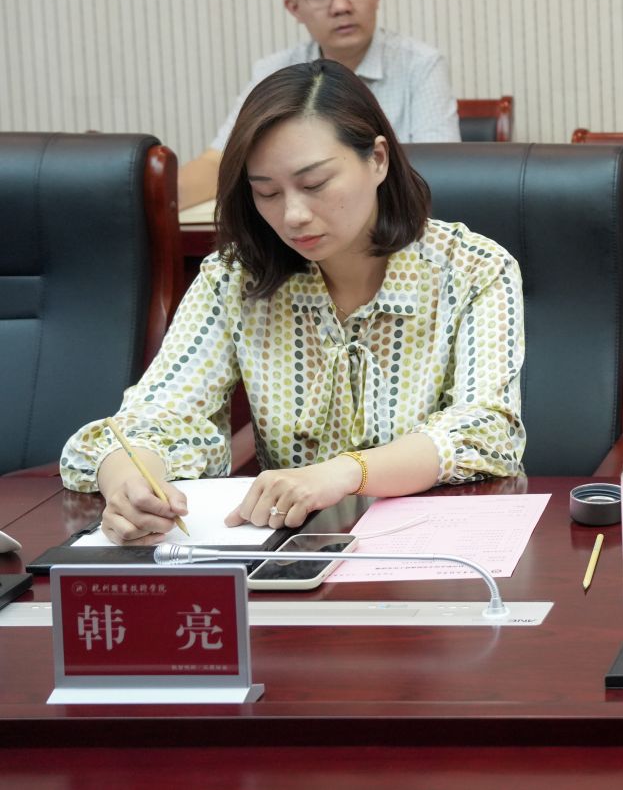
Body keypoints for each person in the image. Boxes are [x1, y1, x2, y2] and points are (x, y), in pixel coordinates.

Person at [63, 60, 524, 542]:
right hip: (291, 555)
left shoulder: (473, 269)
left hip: (436, 547)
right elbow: (156, 416)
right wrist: (129, 482)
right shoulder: (235, 278)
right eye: (267, 193)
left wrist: (344, 473)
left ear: (378, 159)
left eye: (314, 184)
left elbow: (486, 430)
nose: (293, 215)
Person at [178, 0, 459, 208]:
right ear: (295, 8)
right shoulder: (274, 71)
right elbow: (219, 162)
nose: (340, 6)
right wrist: (160, 200)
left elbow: (439, 171)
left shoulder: (421, 65)